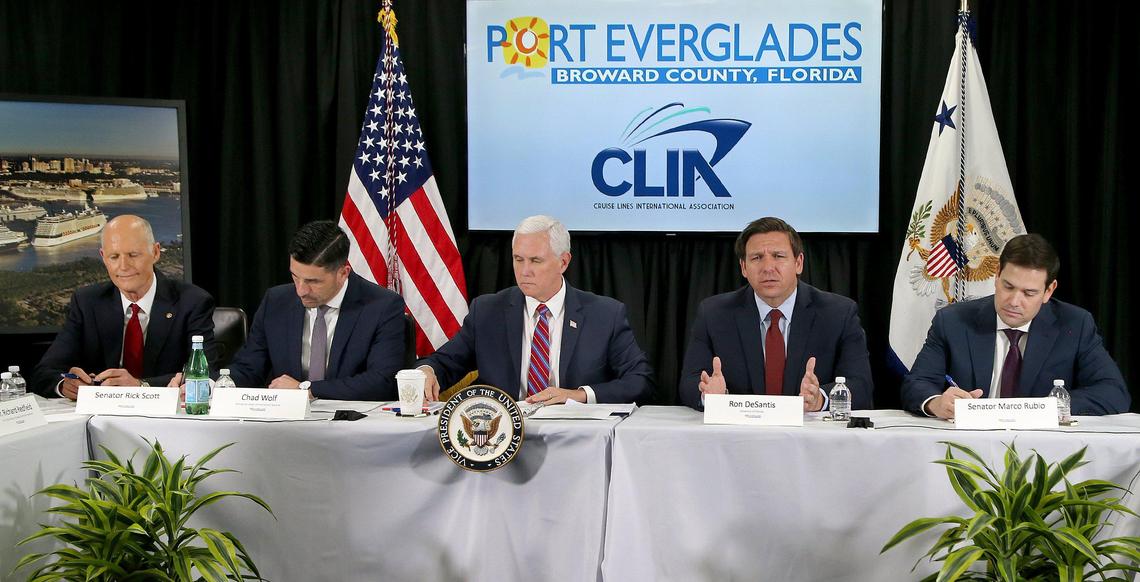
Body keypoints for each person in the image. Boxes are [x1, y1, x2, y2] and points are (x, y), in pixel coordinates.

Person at [419, 215, 654, 404]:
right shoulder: (488, 312)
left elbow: (640, 380)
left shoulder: (604, 315)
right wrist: (428, 371)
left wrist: (577, 395)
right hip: (504, 437)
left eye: (535, 261)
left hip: (576, 435)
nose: (524, 271)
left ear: (563, 262)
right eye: (518, 259)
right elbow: (445, 362)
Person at [902, 233, 1129, 417]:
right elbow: (917, 384)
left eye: (1029, 293)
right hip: (969, 445)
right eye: (1008, 286)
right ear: (997, 275)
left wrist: (1043, 409)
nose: (1014, 301)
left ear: (1048, 291)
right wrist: (936, 403)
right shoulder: (953, 321)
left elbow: (1113, 392)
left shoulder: (1075, 325)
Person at [678, 217, 873, 411]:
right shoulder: (714, 314)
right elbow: (690, 381)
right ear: (744, 267)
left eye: (778, 256)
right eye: (756, 258)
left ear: (799, 263)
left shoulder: (838, 313)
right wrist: (710, 395)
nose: (768, 268)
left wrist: (819, 399)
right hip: (738, 435)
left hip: (810, 437)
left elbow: (861, 385)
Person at [32, 215, 216, 398]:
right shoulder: (88, 302)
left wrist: (141, 386)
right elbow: (45, 372)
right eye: (114, 257)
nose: (123, 266)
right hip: (101, 418)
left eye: (133, 255)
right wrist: (65, 385)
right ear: (103, 257)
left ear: (156, 252)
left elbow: (206, 375)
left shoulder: (192, 302)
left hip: (165, 417)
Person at [226, 220, 406, 400]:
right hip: (287, 423)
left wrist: (307, 389)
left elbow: (382, 381)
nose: (301, 291)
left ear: (343, 273)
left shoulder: (382, 307)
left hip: (352, 422)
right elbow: (249, 368)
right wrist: (215, 385)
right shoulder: (276, 301)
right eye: (295, 277)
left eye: (313, 282)